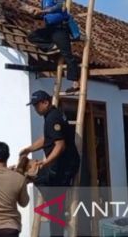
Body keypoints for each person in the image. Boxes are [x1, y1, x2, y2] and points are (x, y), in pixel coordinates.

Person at [19, 90, 80, 237]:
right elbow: (47, 138)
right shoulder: (51, 115)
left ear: (45, 102)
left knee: (40, 180)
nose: (35, 109)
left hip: (64, 166)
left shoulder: (53, 117)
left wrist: (45, 163)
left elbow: (60, 145)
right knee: (39, 180)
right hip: (60, 164)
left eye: (36, 105)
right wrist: (29, 148)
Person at [24, 0, 79, 93]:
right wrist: (35, 13)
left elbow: (61, 5)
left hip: (60, 28)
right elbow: (47, 15)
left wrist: (42, 11)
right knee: (32, 36)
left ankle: (76, 83)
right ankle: (52, 46)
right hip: (50, 28)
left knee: (67, 55)